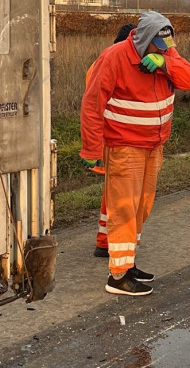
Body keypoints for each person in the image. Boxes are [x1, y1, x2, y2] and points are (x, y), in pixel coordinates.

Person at [80, 11, 190, 296]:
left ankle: (128, 263)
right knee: (124, 208)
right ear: (144, 40)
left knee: (141, 207)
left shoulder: (167, 53)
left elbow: (189, 79)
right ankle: (118, 275)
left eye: (167, 44)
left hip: (153, 146)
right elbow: (92, 105)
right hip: (124, 146)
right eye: (158, 45)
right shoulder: (114, 58)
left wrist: (166, 62)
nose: (164, 48)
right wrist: (93, 148)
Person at [85, 23, 137, 259]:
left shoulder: (100, 62)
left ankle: (105, 239)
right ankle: (109, 242)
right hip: (116, 138)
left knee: (113, 192)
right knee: (119, 193)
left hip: (109, 137)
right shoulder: (114, 64)